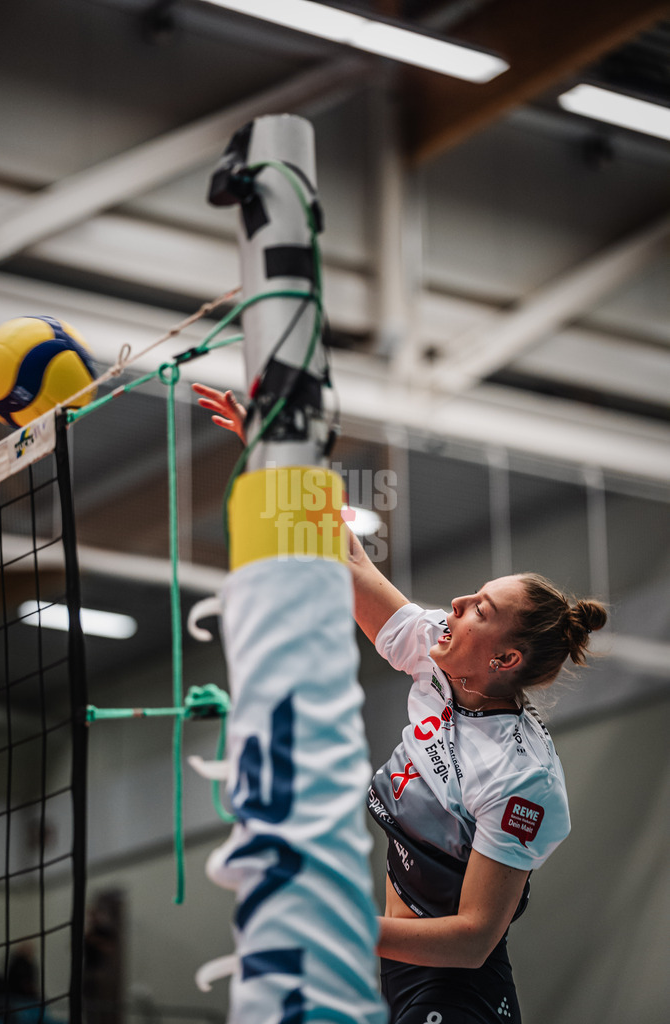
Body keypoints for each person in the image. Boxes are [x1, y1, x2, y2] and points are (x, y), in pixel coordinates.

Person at [193, 382, 608, 1024]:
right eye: (471, 594)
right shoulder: (437, 654)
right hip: (392, 964)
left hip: (453, 991)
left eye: (480, 610)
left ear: (504, 661)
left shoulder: (520, 778)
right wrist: (277, 453)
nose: (458, 606)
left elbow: (472, 940)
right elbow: (347, 556)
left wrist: (339, 928)